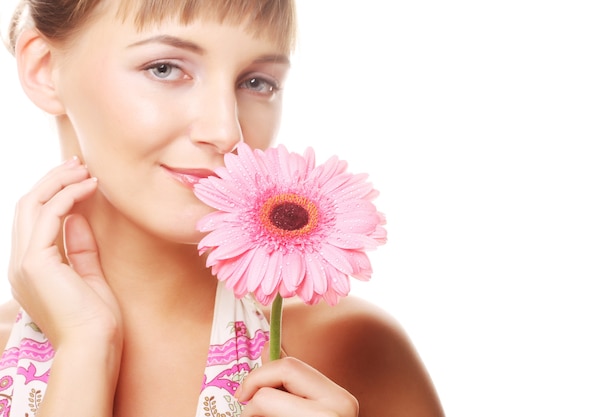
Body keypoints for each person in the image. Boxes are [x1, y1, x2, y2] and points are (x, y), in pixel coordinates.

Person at [0, 1, 445, 416]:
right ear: (44, 68)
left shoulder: (349, 349)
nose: (225, 130)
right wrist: (84, 350)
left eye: (256, 82)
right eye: (165, 68)